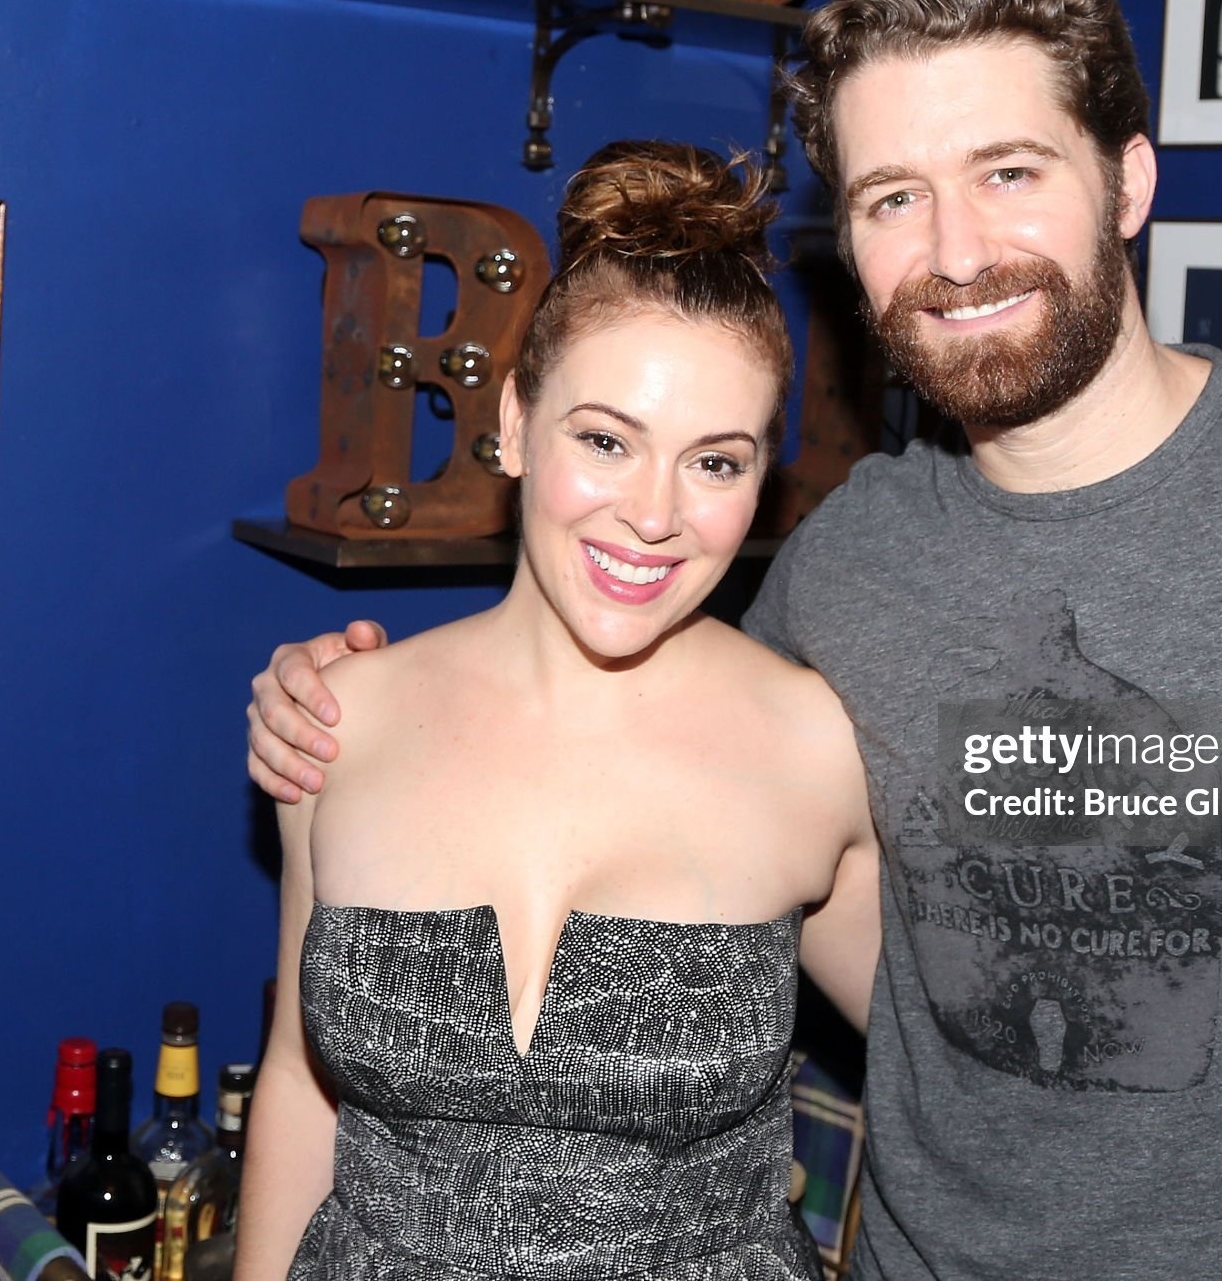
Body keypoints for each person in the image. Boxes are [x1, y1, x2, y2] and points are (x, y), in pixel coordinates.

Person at [247, 0, 1222, 1278]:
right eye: (893, 197)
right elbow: (633, 779)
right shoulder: (838, 574)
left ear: (1128, 181)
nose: (953, 250)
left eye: (1008, 171)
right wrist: (344, 706)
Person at [235, 141, 878, 1281]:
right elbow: (298, 1081)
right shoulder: (338, 718)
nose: (654, 515)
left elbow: (961, 1078)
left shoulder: (815, 745)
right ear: (514, 420)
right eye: (605, 440)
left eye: (715, 463)